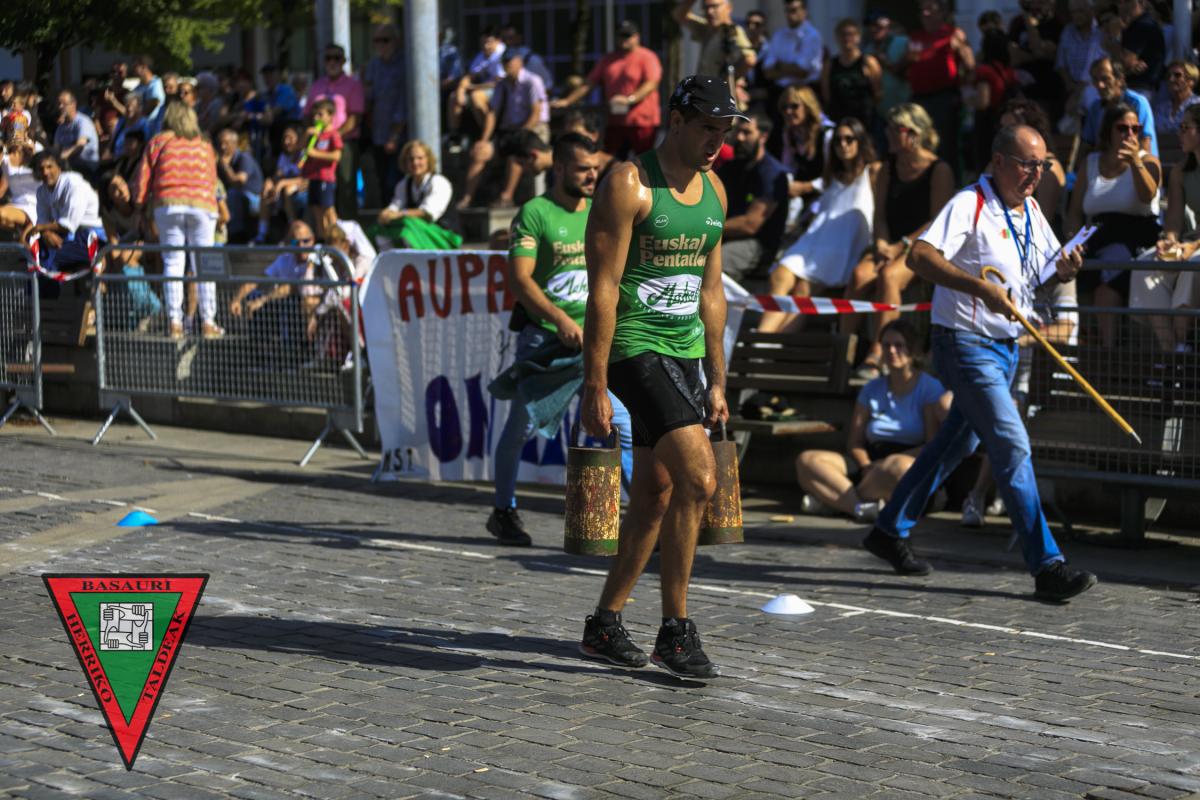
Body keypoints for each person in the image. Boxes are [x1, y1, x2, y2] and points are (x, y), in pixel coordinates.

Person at [862, 124, 1097, 602]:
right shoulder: (970, 202)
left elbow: (1036, 279)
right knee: (1011, 443)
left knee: (957, 442)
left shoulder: (1031, 210)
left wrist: (1063, 271)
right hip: (966, 343)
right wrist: (979, 288)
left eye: (1042, 165)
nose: (1036, 174)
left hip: (1004, 347)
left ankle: (889, 528)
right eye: (1028, 164)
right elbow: (919, 256)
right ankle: (1047, 564)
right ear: (999, 161)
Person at [578, 75, 743, 679]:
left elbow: (712, 290)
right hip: (634, 347)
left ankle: (605, 623)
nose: (716, 143)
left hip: (686, 352)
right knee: (700, 478)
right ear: (675, 120)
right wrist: (594, 384)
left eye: (724, 132)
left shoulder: (716, 190)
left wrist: (718, 378)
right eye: (707, 129)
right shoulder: (629, 183)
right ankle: (676, 632)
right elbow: (603, 288)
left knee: (656, 494)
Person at [488, 133, 634, 546]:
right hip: (547, 344)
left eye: (595, 169)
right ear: (559, 168)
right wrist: (560, 321)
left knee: (622, 427)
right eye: (583, 169)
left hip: (596, 344)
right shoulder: (535, 213)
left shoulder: (602, 210)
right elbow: (520, 279)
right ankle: (503, 510)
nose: (592, 176)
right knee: (520, 428)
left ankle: (646, 515)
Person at [796, 320, 949, 522]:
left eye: (899, 345)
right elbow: (855, 442)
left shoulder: (929, 388)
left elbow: (932, 444)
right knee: (808, 460)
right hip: (870, 462)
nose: (891, 351)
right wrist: (866, 465)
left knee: (898, 467)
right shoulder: (871, 388)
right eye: (886, 345)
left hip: (907, 461)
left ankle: (836, 501)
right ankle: (859, 507)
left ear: (912, 350)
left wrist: (886, 464)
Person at [843, 103, 953, 377]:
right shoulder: (887, 168)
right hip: (889, 244)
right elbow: (879, 216)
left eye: (896, 129)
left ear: (914, 133)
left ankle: (878, 353)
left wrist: (901, 245)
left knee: (890, 276)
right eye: (888, 128)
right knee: (859, 275)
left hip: (922, 248)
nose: (888, 134)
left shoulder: (939, 169)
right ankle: (842, 351)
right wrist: (882, 244)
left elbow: (937, 220)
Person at [761, 116, 878, 331]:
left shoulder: (873, 172)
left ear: (860, 141)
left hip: (844, 246)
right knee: (780, 275)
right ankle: (763, 339)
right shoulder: (831, 176)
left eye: (849, 139)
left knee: (803, 290)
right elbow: (809, 186)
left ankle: (766, 343)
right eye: (838, 140)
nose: (843, 144)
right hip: (817, 241)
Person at [1066, 102, 1162, 348]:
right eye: (1122, 128)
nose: (1129, 134)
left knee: (1106, 287)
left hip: (1136, 238)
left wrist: (1135, 161)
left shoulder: (1148, 161)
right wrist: (1073, 241)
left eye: (1135, 129)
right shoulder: (1090, 162)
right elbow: (1075, 212)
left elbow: (1148, 195)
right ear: (1108, 131)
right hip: (1096, 237)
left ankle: (1110, 355)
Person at [133, 99, 220, 340]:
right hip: (202, 204)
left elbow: (143, 178)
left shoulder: (158, 141)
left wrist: (140, 206)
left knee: (173, 261)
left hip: (168, 203)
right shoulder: (204, 144)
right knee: (203, 263)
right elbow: (213, 178)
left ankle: (175, 322)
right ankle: (208, 322)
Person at [552, 20, 663, 160]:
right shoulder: (607, 59)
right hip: (614, 121)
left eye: (628, 35)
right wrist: (567, 101)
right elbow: (589, 84)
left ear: (637, 37)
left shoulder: (647, 57)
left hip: (642, 122)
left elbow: (651, 83)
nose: (624, 39)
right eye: (621, 35)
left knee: (646, 162)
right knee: (609, 161)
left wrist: (629, 99)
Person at [457, 50, 548, 210]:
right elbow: (492, 113)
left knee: (517, 153)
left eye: (510, 61)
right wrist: (484, 139)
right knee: (480, 152)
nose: (507, 65)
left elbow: (536, 112)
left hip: (533, 130)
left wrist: (522, 134)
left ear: (519, 62)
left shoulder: (532, 81)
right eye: (504, 62)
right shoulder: (502, 84)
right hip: (507, 132)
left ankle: (506, 197)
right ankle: (467, 198)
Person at [1141, 104, 1200, 352]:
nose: (1179, 133)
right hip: (1190, 244)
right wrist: (1169, 241)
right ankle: (1169, 349)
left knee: (1192, 265)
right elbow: (1174, 221)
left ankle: (1183, 343)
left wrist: (1192, 247)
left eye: (1186, 127)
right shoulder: (1180, 171)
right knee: (1145, 264)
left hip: (1196, 249)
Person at [716, 113, 789, 283]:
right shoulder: (731, 167)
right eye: (737, 131)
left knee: (716, 264)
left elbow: (750, 225)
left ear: (763, 136)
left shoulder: (772, 174)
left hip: (756, 244)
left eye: (747, 133)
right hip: (724, 233)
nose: (739, 138)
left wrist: (705, 228)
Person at [906, 0, 974, 179]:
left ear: (942, 13)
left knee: (947, 146)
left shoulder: (953, 34)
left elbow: (970, 65)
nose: (925, 13)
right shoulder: (915, 36)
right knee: (919, 143)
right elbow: (905, 67)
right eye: (922, 9)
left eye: (930, 9)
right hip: (920, 98)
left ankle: (952, 184)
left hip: (944, 98)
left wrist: (962, 49)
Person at [307, 43, 364, 220]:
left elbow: (355, 117)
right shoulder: (317, 85)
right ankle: (325, 231)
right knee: (322, 191)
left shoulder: (353, 85)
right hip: (319, 145)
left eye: (336, 58)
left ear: (344, 61)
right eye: (328, 58)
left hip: (344, 143)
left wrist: (334, 136)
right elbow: (307, 114)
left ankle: (346, 229)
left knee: (345, 188)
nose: (332, 62)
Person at [373, 139, 456, 250]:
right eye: (411, 159)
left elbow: (427, 213)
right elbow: (396, 205)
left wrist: (400, 214)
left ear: (428, 160)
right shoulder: (404, 184)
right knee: (379, 230)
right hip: (420, 231)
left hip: (444, 235)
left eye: (420, 158)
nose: (415, 163)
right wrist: (386, 213)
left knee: (408, 228)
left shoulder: (439, 182)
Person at [767, 85, 830, 227]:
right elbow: (788, 168)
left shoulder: (826, 134)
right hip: (801, 194)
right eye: (784, 108)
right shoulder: (789, 134)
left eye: (794, 106)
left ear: (808, 106)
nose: (788, 112)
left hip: (826, 193)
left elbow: (834, 175)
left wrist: (807, 186)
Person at [673, 0, 757, 96]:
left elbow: (750, 59)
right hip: (706, 95)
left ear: (728, 7)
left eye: (715, 6)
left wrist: (727, 81)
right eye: (706, 8)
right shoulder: (707, 29)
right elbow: (679, 15)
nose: (710, 12)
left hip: (721, 99)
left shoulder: (732, 31)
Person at [363, 23, 408, 205]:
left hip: (399, 134)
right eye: (376, 41)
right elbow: (369, 97)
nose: (380, 45)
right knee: (382, 181)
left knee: (394, 182)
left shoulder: (405, 64)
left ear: (396, 41)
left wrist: (395, 135)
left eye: (385, 40)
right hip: (378, 133)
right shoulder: (374, 65)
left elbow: (403, 102)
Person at [967, 30, 1020, 172]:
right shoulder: (1008, 70)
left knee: (985, 162)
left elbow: (983, 102)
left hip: (987, 124)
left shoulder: (985, 71)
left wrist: (968, 100)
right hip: (1005, 120)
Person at [1082, 58, 1158, 157]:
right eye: (1095, 80)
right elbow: (1086, 146)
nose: (1100, 85)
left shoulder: (1137, 103)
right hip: (1105, 163)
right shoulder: (1095, 108)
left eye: (1105, 79)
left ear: (1120, 80)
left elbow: (1145, 146)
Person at [1007, 0, 1064, 122]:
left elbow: (1040, 50)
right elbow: (1014, 57)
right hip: (1022, 92)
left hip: (1046, 91)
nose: (1035, 6)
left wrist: (1030, 27)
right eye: (1033, 2)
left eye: (1041, 2)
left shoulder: (1056, 24)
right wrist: (1038, 54)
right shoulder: (1017, 22)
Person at [820, 19, 881, 133]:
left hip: (864, 120)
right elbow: (826, 94)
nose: (847, 38)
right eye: (843, 34)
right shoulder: (830, 65)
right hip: (839, 118)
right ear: (837, 37)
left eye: (851, 34)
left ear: (859, 37)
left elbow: (878, 93)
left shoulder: (868, 62)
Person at [863, 10, 911, 153]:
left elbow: (908, 72)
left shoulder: (903, 42)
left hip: (902, 108)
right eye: (871, 26)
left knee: (904, 148)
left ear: (888, 25)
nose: (874, 29)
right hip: (880, 111)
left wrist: (885, 62)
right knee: (882, 150)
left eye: (878, 25)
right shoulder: (868, 49)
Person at [449, 28, 507, 141]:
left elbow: (499, 83)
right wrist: (461, 89)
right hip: (482, 88)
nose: (486, 46)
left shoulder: (502, 54)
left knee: (476, 95)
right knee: (454, 97)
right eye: (483, 43)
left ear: (498, 41)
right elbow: (470, 76)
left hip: (500, 90)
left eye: (489, 42)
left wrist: (474, 87)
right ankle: (454, 136)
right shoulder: (482, 55)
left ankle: (489, 135)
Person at [760, 0, 823, 103]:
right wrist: (791, 69)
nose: (789, 15)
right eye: (787, 11)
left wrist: (778, 66)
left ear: (804, 11)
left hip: (804, 93)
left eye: (793, 10)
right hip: (779, 92)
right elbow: (767, 72)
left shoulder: (812, 36)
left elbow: (802, 71)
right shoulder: (779, 35)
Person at [1057, 0, 1106, 129]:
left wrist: (1079, 91)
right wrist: (1070, 85)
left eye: (1080, 11)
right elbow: (1061, 64)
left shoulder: (1101, 32)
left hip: (1094, 87)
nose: (1076, 16)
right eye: (1073, 12)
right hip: (1071, 87)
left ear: (1091, 11)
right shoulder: (1067, 32)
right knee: (1065, 127)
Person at [299, 99, 343, 240]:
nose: (316, 118)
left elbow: (337, 156)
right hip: (314, 177)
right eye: (315, 115)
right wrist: (306, 135)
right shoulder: (315, 134)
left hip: (326, 178)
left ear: (330, 116)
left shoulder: (333, 135)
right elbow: (300, 148)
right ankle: (322, 239)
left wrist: (315, 154)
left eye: (320, 114)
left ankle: (337, 239)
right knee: (316, 211)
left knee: (328, 210)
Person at [258, 122, 308, 240]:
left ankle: (292, 228)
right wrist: (270, 182)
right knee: (266, 191)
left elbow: (305, 178)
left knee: (287, 190)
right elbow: (278, 175)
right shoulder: (283, 156)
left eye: (290, 138)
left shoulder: (304, 155)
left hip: (302, 188)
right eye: (284, 138)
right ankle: (261, 234)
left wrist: (282, 183)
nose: (286, 142)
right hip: (283, 189)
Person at [216, 127, 264, 244]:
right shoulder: (222, 161)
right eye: (220, 143)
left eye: (226, 143)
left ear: (235, 144)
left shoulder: (244, 158)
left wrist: (225, 166)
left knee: (233, 194)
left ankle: (236, 236)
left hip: (254, 198)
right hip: (236, 197)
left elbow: (238, 181)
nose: (222, 147)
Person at [1112, 0, 1165, 101]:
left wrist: (1115, 38)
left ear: (1141, 2)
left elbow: (1123, 64)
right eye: (1119, 2)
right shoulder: (1130, 26)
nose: (1122, 6)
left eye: (1127, 1)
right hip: (1132, 87)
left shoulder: (1142, 25)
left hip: (1140, 89)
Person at [0, 126, 43, 236]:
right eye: (11, 132)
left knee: (1, 214)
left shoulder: (37, 151)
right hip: (15, 203)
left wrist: (32, 152)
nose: (15, 136)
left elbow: (44, 169)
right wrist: (4, 148)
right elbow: (3, 186)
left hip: (34, 205)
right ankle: (22, 235)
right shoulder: (6, 159)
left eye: (18, 133)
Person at [52, 90, 100, 179]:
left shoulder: (83, 121)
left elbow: (80, 145)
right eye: (59, 104)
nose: (60, 107)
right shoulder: (60, 128)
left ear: (73, 104)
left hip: (86, 166)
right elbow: (56, 149)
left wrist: (63, 156)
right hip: (69, 166)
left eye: (64, 104)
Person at [1154, 60, 1200, 135]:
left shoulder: (1198, 104)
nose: (1171, 79)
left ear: (1191, 81)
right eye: (1168, 76)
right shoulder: (1160, 108)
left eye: (1177, 75)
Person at [131, 55, 166, 122]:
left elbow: (155, 103)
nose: (133, 69)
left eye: (135, 66)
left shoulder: (156, 84)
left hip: (151, 125)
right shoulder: (138, 87)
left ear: (144, 67)